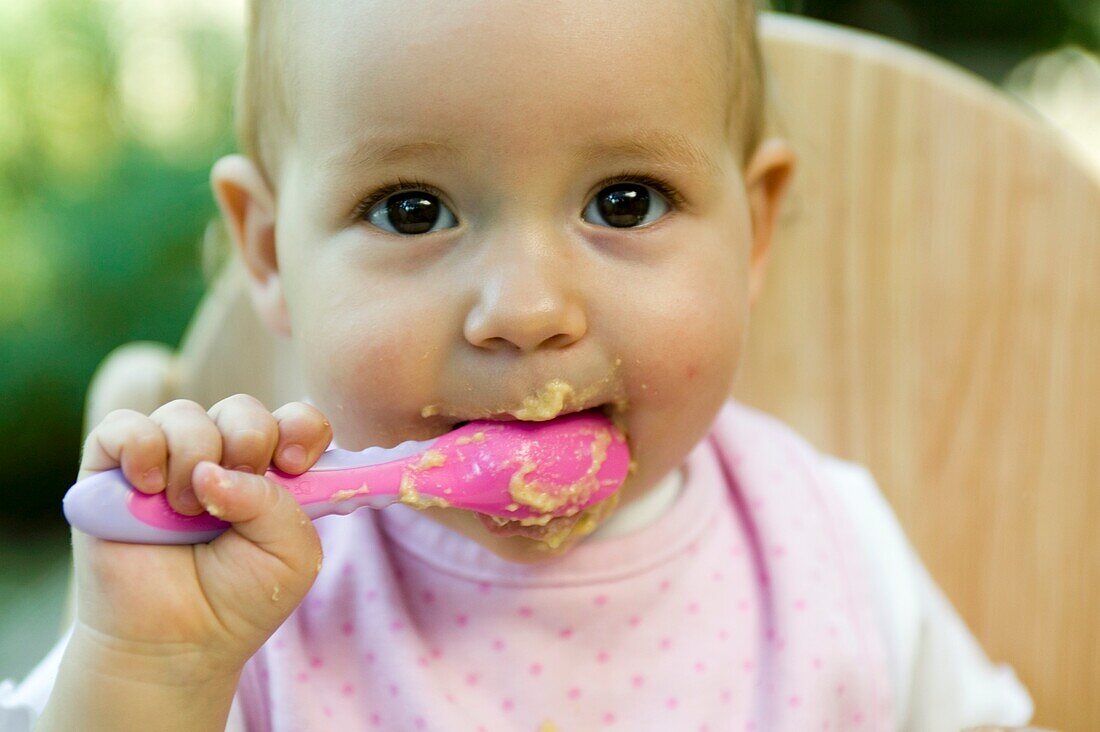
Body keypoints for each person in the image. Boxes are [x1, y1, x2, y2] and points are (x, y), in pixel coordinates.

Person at [2, 0, 1035, 729]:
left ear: (751, 231)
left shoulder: (828, 549)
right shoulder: (235, 613)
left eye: (622, 201)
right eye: (413, 210)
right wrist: (150, 673)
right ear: (269, 251)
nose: (526, 310)